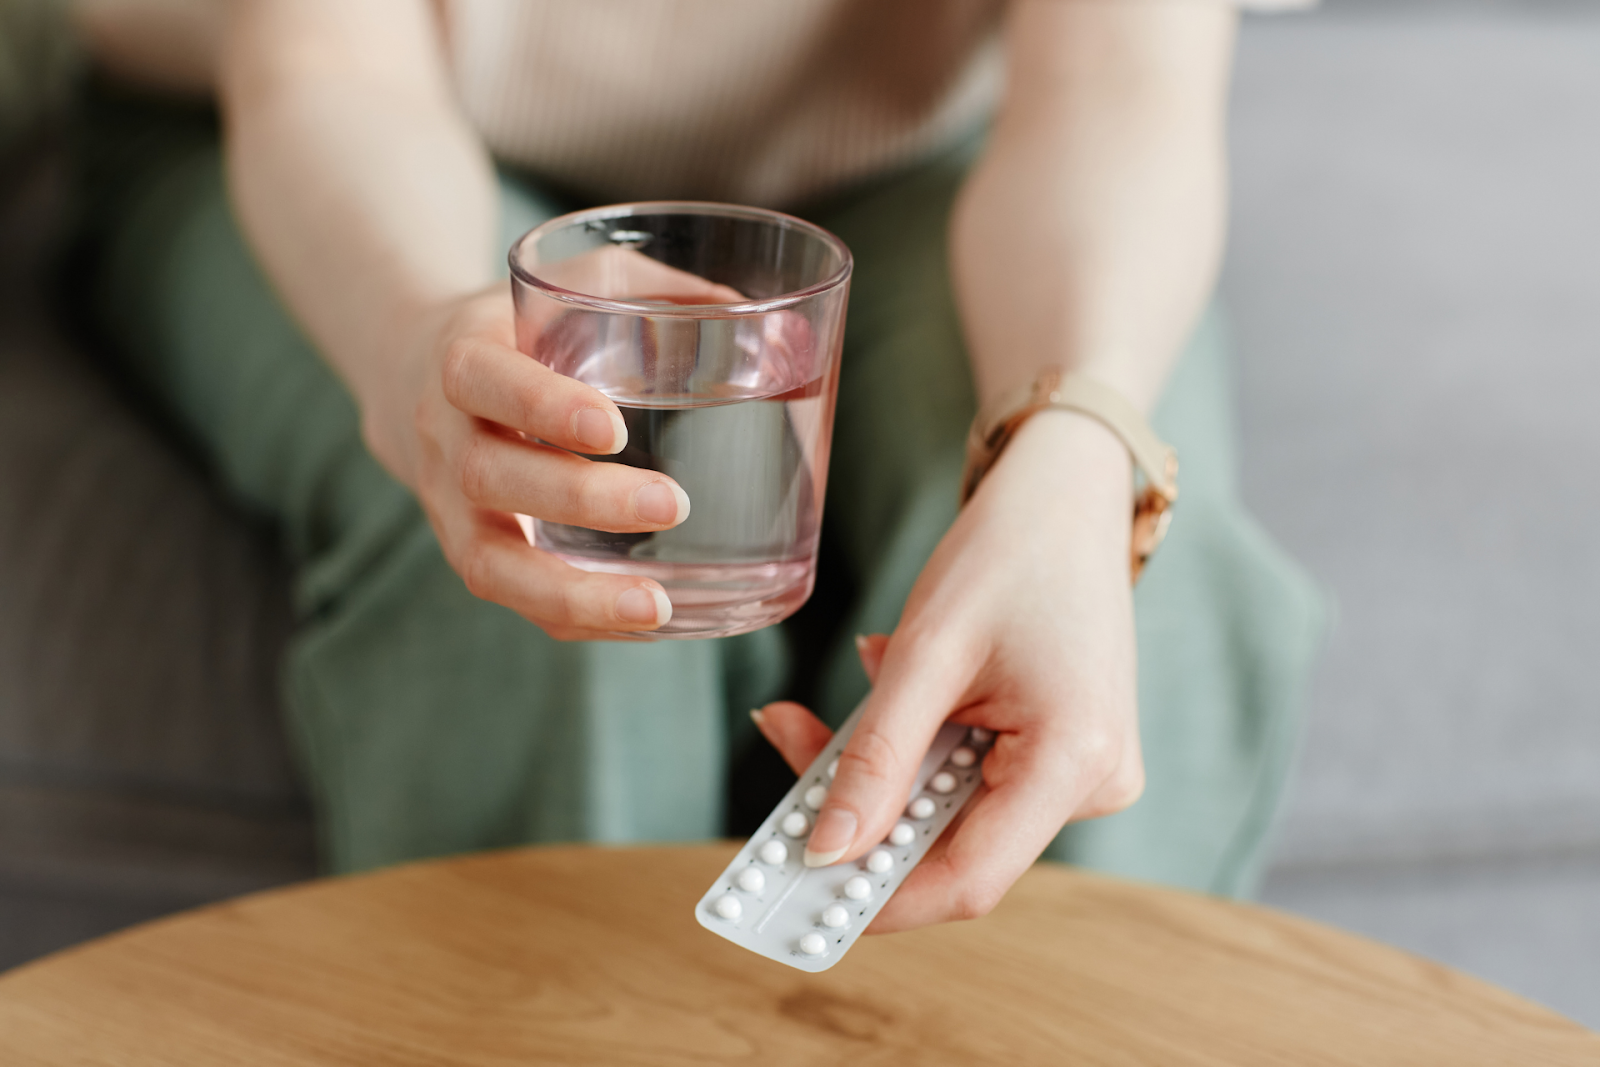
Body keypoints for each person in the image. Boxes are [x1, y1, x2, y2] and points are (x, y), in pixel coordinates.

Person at [70, 0, 1321, 933]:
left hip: (913, 163)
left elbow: (1117, 82)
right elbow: (328, 66)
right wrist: (415, 337)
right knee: (530, 566)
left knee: (1127, 567)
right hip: (318, 125)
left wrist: (1074, 447)